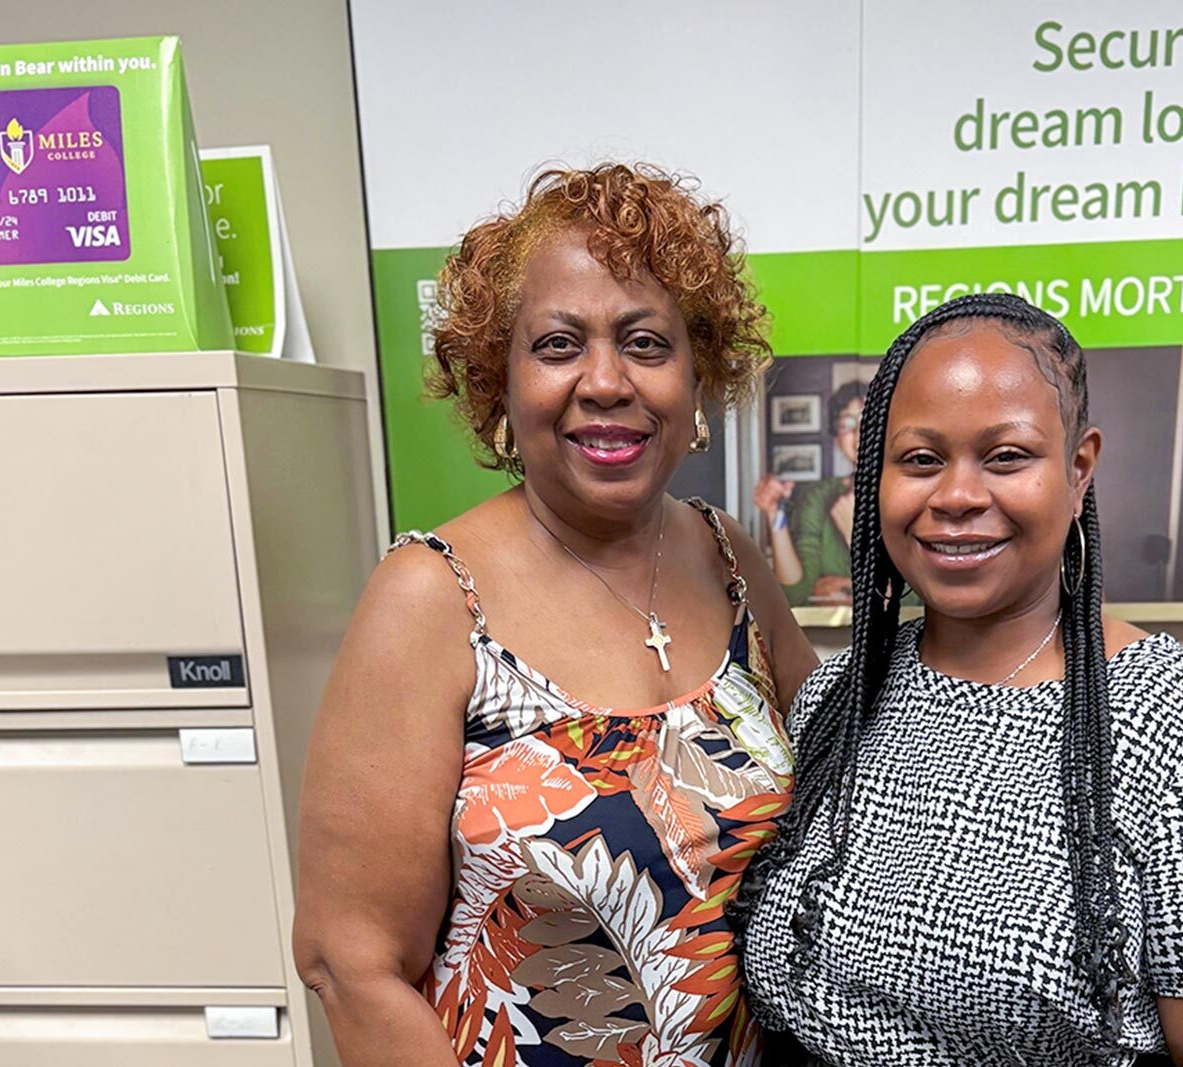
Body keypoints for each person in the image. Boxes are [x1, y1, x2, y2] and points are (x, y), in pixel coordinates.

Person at [293, 163, 819, 1067]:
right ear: (500, 380)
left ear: (697, 377)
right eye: (558, 344)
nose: (606, 381)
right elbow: (350, 964)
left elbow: (850, 785)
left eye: (646, 343)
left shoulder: (728, 557)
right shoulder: (433, 598)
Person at [733, 293, 1183, 1066]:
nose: (957, 496)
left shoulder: (1177, 722)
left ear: (1078, 470)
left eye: (1006, 456)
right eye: (921, 459)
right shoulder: (838, 697)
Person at [754, 379, 866, 606]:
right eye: (847, 423)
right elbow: (795, 594)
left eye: (870, 420)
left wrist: (854, 536)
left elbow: (913, 598)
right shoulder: (817, 497)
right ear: (836, 437)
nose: (859, 433)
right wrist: (776, 517)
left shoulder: (910, 494)